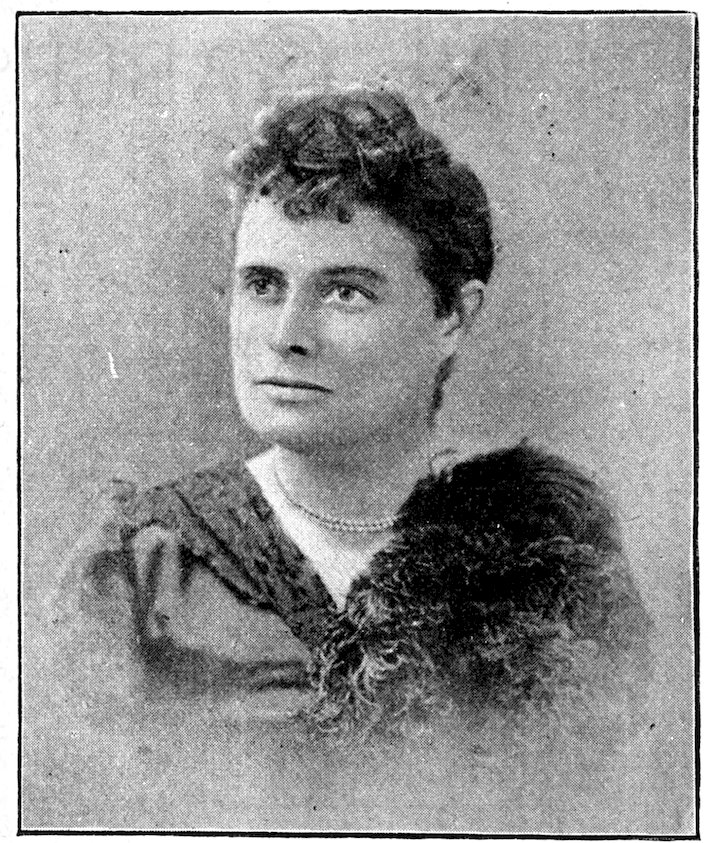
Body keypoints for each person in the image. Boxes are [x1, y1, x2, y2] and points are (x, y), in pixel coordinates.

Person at [54, 85, 651, 741]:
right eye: (262, 284)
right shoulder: (144, 571)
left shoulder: (548, 562)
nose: (287, 335)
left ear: (452, 316)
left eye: (344, 292)